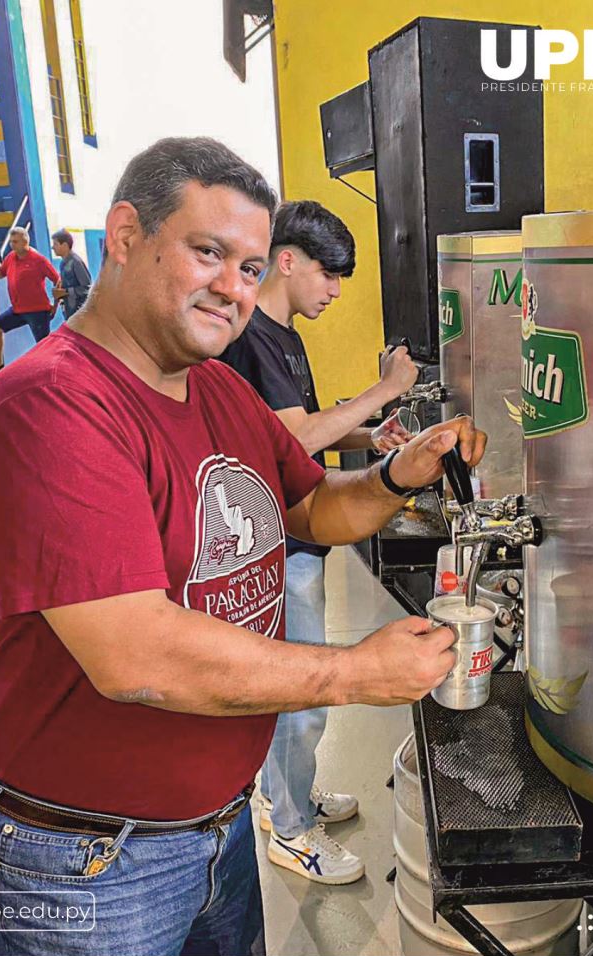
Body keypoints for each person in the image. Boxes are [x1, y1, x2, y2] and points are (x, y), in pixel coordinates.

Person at [0, 137, 484, 956]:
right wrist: (354, 673)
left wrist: (397, 474)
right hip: (87, 858)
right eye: (209, 254)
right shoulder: (54, 406)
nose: (233, 289)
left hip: (217, 825)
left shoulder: (217, 388)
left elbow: (310, 508)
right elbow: (138, 659)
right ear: (125, 237)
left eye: (248, 267)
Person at [219, 199, 418, 884]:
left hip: (299, 536)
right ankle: (292, 829)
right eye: (328, 275)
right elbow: (299, 438)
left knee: (298, 695)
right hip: (268, 545)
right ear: (287, 260)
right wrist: (385, 388)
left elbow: (300, 428)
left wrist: (373, 435)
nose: (334, 291)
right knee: (299, 696)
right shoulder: (248, 337)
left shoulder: (286, 335)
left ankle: (288, 798)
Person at [0, 226, 60, 376]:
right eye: (11, 242)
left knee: (43, 343)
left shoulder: (39, 260)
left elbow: (57, 280)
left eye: (15, 242)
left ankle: (51, 370)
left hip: (37, 310)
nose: (12, 245)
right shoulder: (10, 257)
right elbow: (2, 272)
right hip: (17, 309)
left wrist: (56, 304)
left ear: (25, 242)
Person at [51, 228, 92, 319]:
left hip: (79, 312)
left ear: (65, 245)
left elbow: (86, 287)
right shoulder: (63, 263)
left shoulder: (76, 262)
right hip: (69, 310)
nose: (53, 247)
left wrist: (65, 292)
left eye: (55, 244)